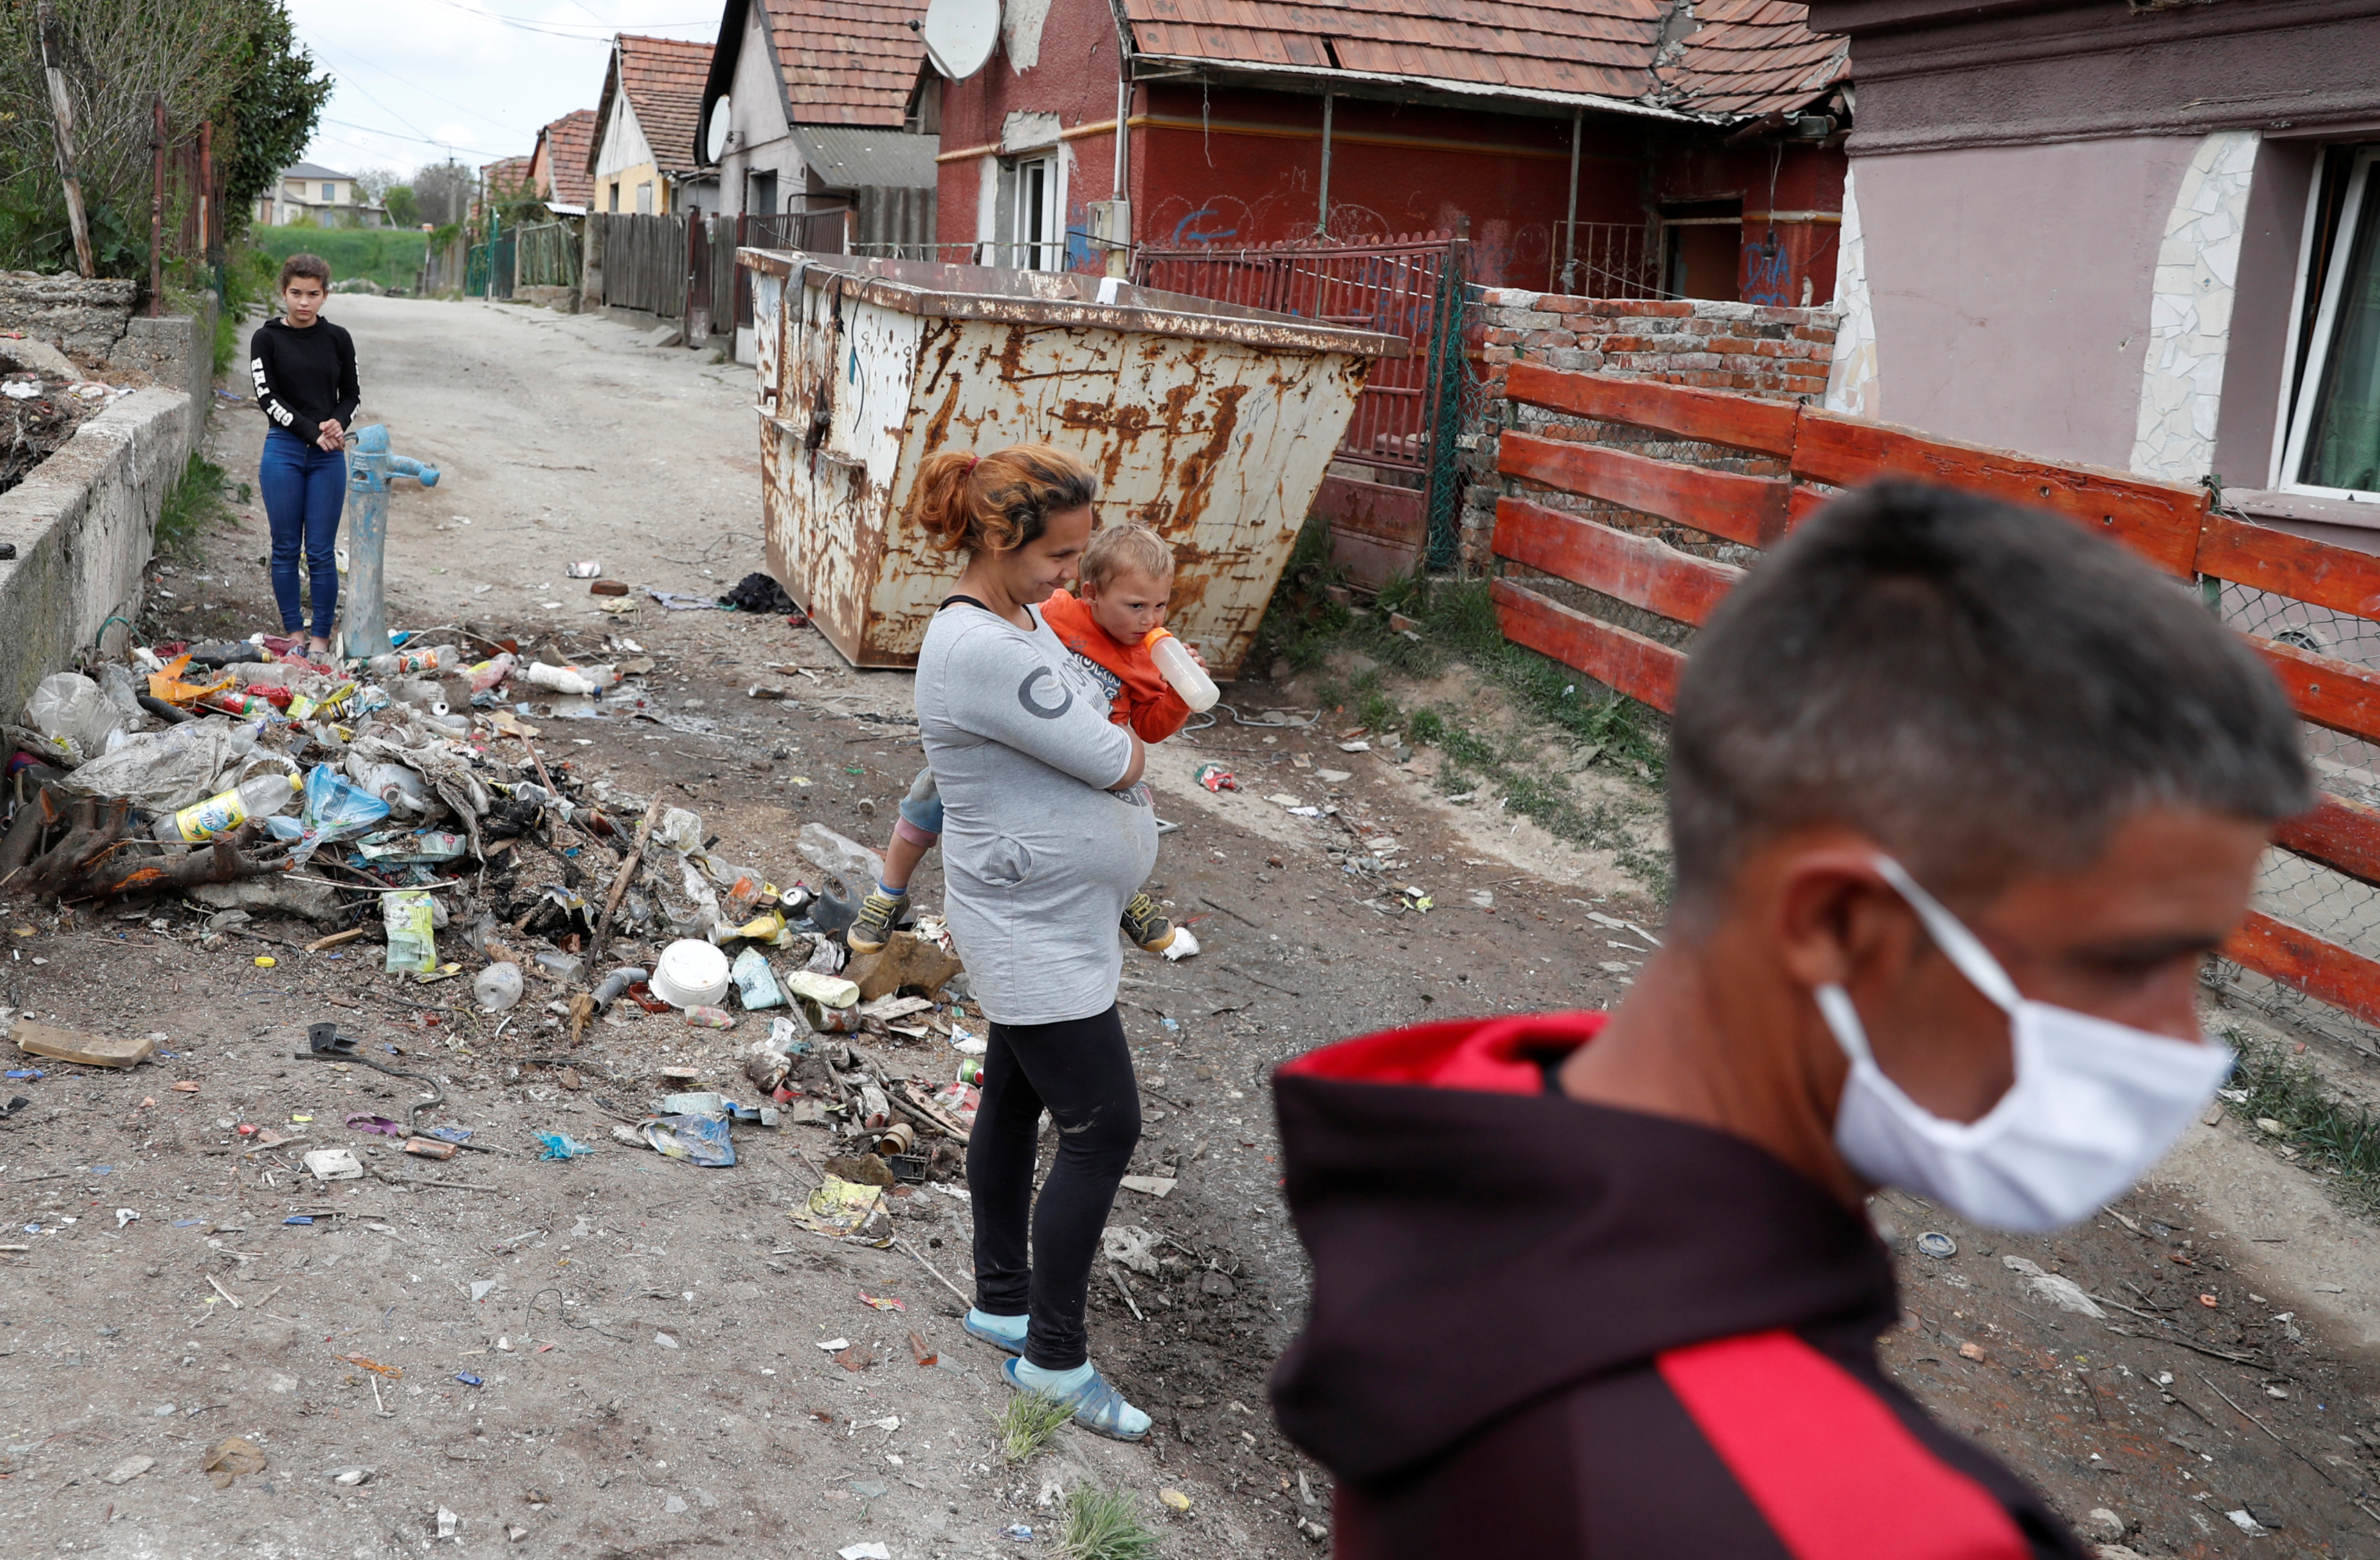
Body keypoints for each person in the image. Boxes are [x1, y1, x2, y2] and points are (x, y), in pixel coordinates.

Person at [1270, 479, 2309, 1556]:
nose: (2184, 1046)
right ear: (1842, 923)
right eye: (2133, 958)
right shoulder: (1863, 1527)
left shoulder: (1465, 1184)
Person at [911, 443, 1159, 1442]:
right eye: (1062, 553)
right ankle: (1053, 1359)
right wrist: (1138, 749)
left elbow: (1094, 707)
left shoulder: (1017, 622)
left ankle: (1001, 1300)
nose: (1072, 573)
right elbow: (1108, 749)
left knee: (1015, 1102)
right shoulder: (980, 646)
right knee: (1104, 1127)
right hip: (1029, 925)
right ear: (1004, 537)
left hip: (1049, 916)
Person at [849, 519, 1200, 960]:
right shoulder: (1052, 611)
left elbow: (1149, 728)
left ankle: (1125, 896)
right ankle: (889, 892)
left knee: (1108, 824)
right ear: (1091, 594)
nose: (1150, 620)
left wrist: (1179, 695)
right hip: (1006, 749)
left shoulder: (1148, 659)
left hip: (1089, 761)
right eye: (1135, 606)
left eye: (1161, 606)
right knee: (927, 800)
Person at [250, 254, 360, 655]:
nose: (303, 302)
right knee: (284, 548)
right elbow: (267, 398)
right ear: (284, 292)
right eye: (296, 293)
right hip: (284, 451)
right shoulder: (266, 339)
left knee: (320, 551)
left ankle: (320, 642)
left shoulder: (338, 339)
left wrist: (337, 421)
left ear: (325, 296)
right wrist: (313, 432)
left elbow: (351, 393)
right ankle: (294, 637)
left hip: (328, 455)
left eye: (313, 294)